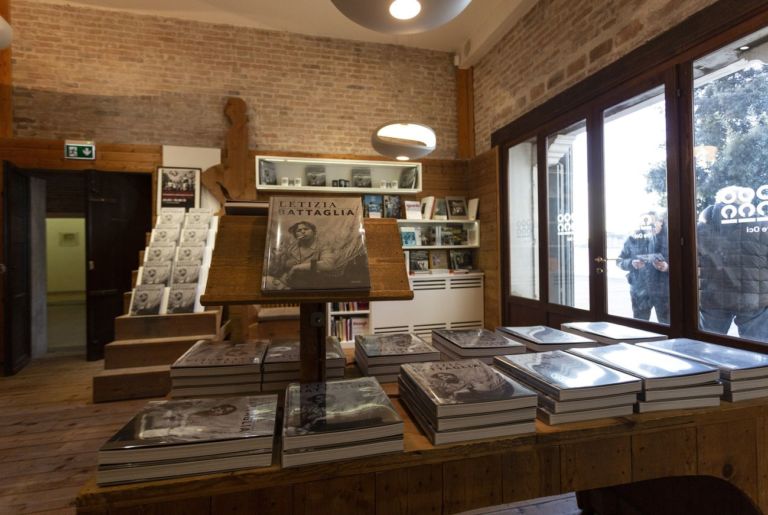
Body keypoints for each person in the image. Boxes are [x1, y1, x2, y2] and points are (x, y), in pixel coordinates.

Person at [697, 186, 768, 340]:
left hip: (712, 296)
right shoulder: (761, 224)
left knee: (707, 345)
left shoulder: (701, 227)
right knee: (756, 348)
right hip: (753, 296)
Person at [616, 211, 670, 324]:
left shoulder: (670, 238)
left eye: (652, 223)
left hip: (664, 292)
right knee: (639, 327)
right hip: (639, 291)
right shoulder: (632, 239)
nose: (648, 227)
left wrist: (667, 266)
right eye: (645, 223)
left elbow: (682, 261)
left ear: (660, 222)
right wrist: (631, 263)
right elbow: (619, 260)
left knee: (668, 326)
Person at [265, 221, 342, 289]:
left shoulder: (323, 247)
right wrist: (277, 257)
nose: (303, 232)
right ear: (296, 235)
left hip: (311, 286)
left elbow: (329, 264)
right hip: (287, 283)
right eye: (299, 230)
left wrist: (298, 267)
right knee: (266, 280)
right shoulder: (291, 248)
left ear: (314, 232)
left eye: (306, 229)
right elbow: (275, 272)